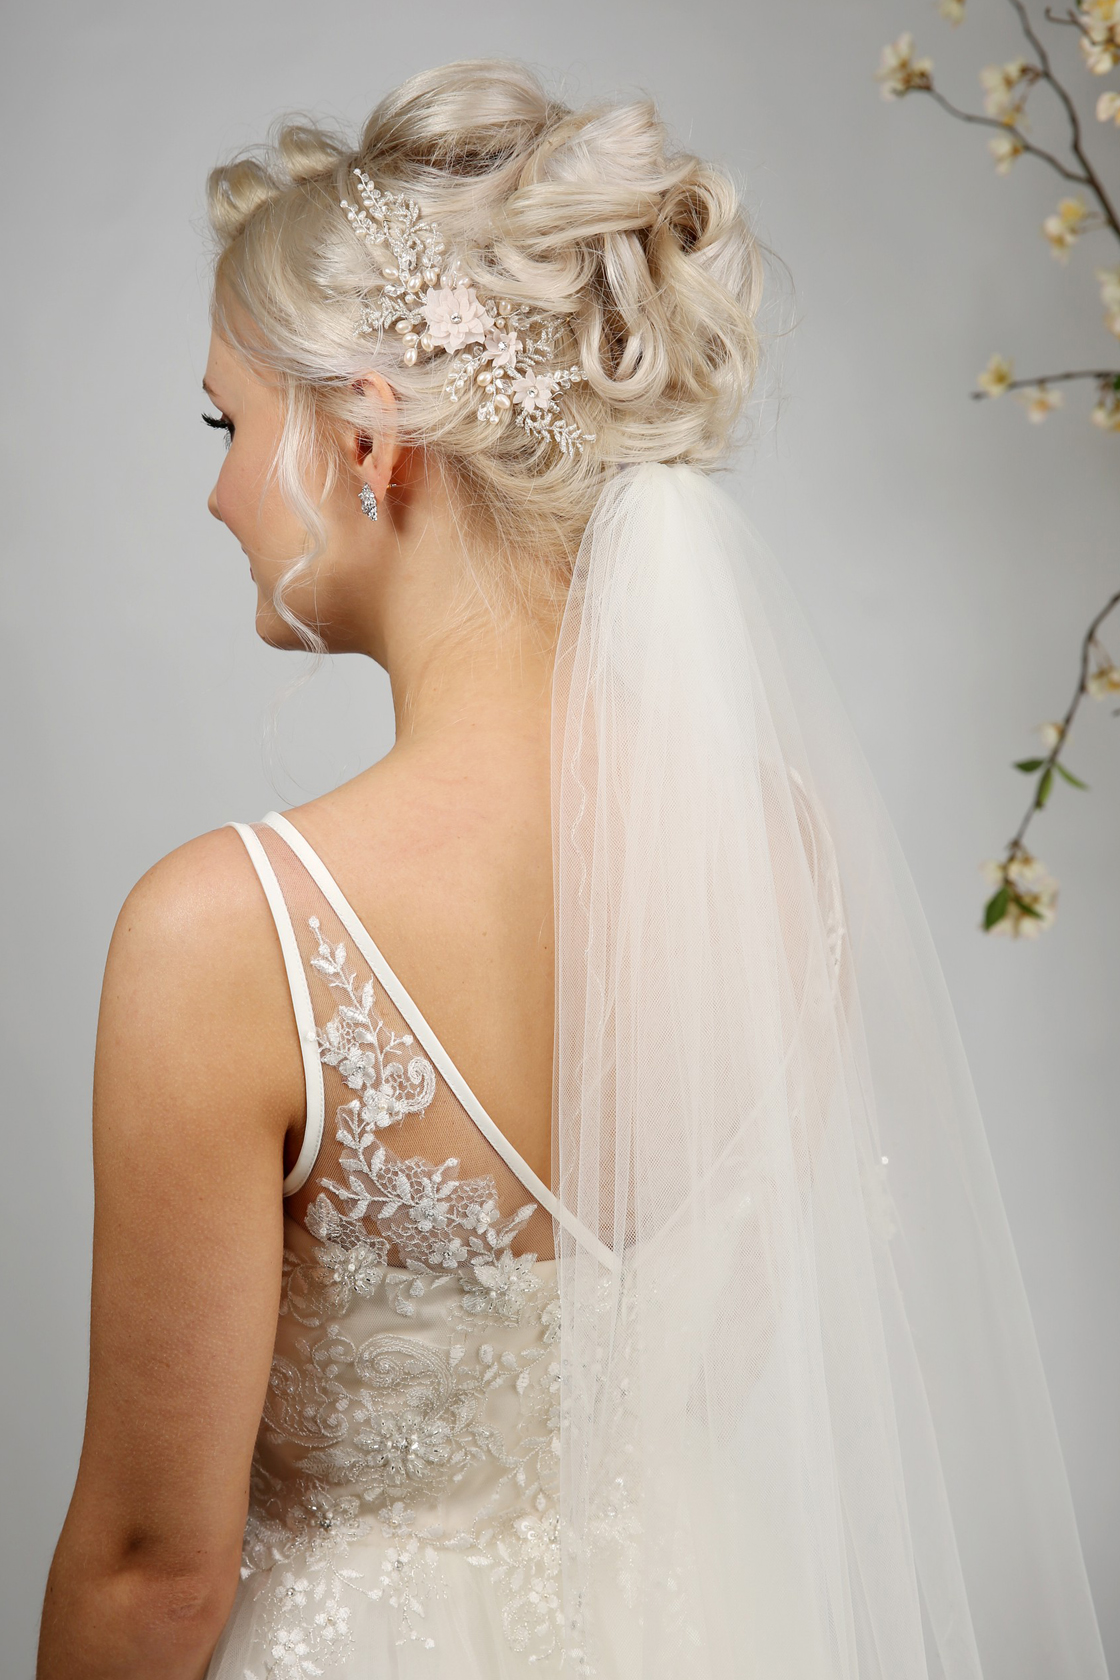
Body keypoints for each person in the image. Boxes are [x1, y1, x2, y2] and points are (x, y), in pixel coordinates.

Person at [36, 58, 1109, 1680]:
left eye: (229, 424)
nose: (216, 492)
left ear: (369, 439)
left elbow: (150, 1579)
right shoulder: (778, 857)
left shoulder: (226, 937)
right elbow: (696, 1387)